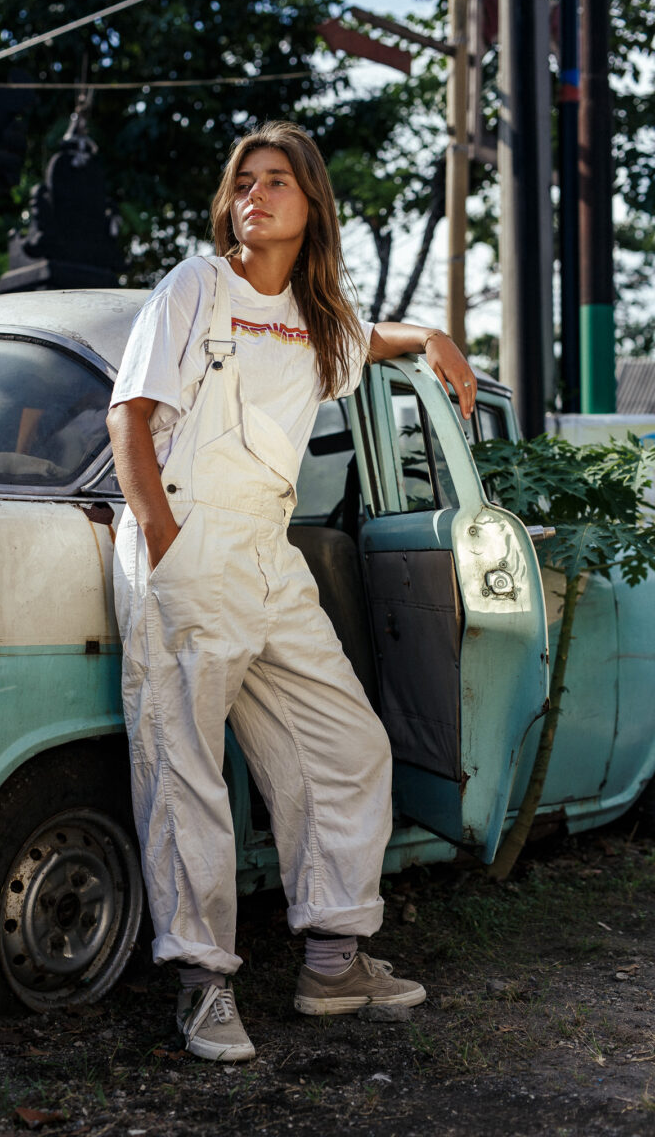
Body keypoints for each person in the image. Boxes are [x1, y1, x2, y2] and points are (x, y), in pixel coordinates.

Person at [107, 121, 477, 1063]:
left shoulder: (318, 322)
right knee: (184, 764)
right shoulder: (196, 284)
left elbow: (365, 339)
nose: (254, 195)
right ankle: (201, 985)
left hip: (269, 552)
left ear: (312, 203)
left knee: (345, 743)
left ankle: (332, 959)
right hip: (186, 536)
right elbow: (131, 415)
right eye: (243, 180)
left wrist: (433, 335)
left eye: (277, 181)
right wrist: (165, 545)